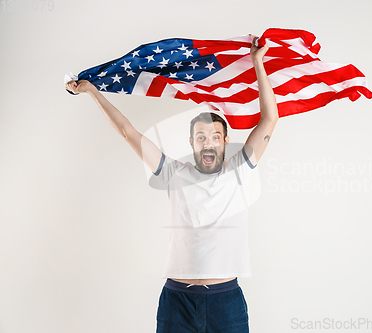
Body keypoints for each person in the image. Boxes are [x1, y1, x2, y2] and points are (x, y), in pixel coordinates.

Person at [65, 37, 278, 332]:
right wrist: (93, 92)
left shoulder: (240, 170)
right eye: (201, 137)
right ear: (192, 143)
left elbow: (269, 119)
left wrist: (258, 62)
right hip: (177, 302)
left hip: (226, 301)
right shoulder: (174, 174)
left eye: (215, 137)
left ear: (225, 141)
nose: (208, 143)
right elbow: (128, 132)